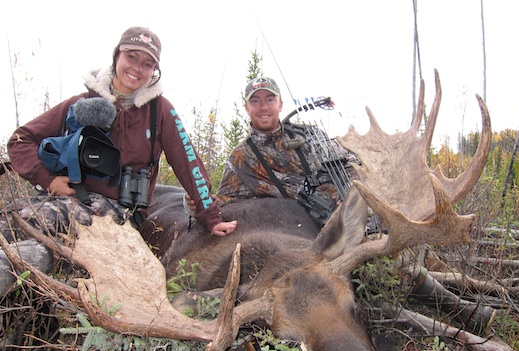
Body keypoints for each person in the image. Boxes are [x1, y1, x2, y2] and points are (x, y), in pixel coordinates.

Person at [7, 26, 237, 237]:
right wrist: (47, 179)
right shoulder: (81, 102)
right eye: (132, 57)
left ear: (154, 71)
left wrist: (212, 218)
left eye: (147, 64)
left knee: (40, 218)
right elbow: (20, 140)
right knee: (11, 219)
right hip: (66, 198)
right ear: (117, 55)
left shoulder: (160, 110)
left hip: (119, 213)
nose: (137, 68)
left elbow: (189, 164)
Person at [211, 76, 355, 226]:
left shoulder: (309, 134)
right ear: (247, 108)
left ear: (280, 104)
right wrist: (198, 202)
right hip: (292, 232)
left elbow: (351, 163)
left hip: (345, 218)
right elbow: (224, 202)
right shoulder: (241, 157)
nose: (263, 107)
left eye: (270, 100)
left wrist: (348, 190)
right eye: (255, 101)